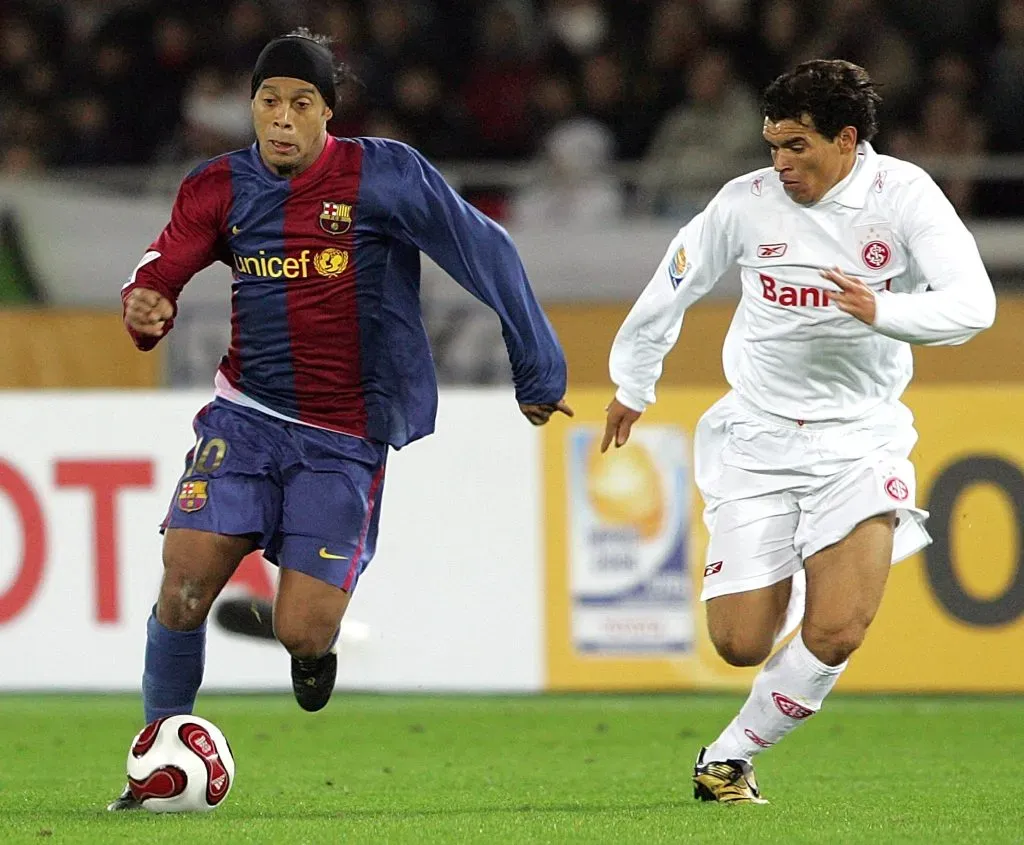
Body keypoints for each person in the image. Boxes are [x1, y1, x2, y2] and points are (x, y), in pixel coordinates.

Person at [110, 29, 572, 811]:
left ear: (328, 112)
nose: (281, 119)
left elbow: (484, 249)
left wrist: (538, 363)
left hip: (345, 435)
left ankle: (310, 647)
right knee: (184, 577)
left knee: (304, 629)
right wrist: (147, 310)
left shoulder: (382, 175)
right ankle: (159, 753)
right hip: (246, 413)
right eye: (267, 102)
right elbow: (162, 268)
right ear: (251, 108)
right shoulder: (217, 186)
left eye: (300, 104)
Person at [602, 59, 995, 804]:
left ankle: (729, 756)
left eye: (797, 147)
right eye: (772, 145)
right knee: (740, 642)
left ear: (846, 140)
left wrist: (886, 313)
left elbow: (974, 305)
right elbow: (672, 286)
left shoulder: (904, 196)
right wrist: (633, 383)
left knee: (839, 628)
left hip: (860, 439)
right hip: (758, 435)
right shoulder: (744, 203)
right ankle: (767, 598)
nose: (779, 164)